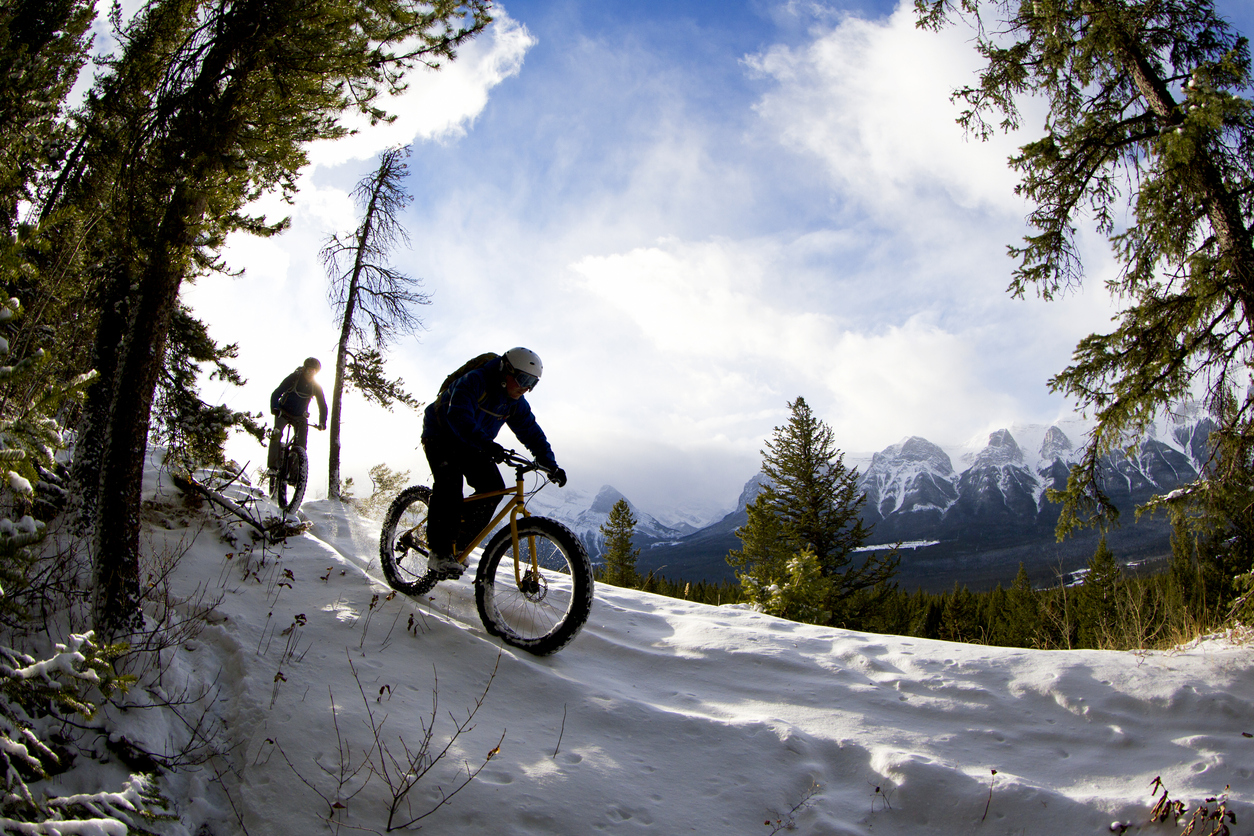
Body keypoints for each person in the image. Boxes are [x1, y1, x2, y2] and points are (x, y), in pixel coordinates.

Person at [421, 347, 567, 579]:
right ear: (505, 370)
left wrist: (550, 464)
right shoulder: (475, 381)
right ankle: (439, 551)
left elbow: (531, 432)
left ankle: (457, 543)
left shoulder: (515, 402)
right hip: (441, 434)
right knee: (449, 485)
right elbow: (458, 414)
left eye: (533, 383)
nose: (526, 387)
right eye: (523, 378)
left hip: (474, 442)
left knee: (494, 490)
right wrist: (486, 444)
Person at [268, 357, 328, 476]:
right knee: (276, 434)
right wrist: (275, 408)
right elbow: (276, 393)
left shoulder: (316, 386)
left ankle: (294, 473)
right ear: (304, 369)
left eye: (314, 371)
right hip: (283, 412)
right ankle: (273, 467)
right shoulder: (294, 378)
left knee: (301, 445)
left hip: (300, 416)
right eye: (309, 370)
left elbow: (322, 405)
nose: (311, 373)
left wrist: (322, 422)